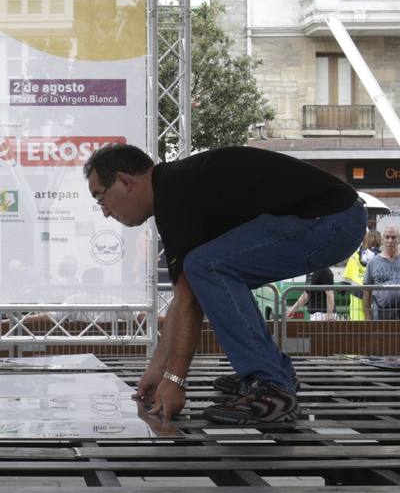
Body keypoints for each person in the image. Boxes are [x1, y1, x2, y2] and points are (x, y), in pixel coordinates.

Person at [84, 144, 365, 425]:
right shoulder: (175, 187)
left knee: (206, 266)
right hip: (334, 219)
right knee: (208, 269)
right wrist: (157, 371)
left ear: (124, 181)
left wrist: (175, 381)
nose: (105, 212)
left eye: (100, 198)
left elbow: (189, 302)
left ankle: (272, 388)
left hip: (332, 220)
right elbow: (185, 298)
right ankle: (273, 372)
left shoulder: (175, 192)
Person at [342, 230, 380, 321]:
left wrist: (343, 288)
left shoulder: (355, 256)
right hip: (376, 295)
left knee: (358, 327)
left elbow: (347, 277)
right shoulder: (381, 257)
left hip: (357, 294)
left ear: (366, 239)